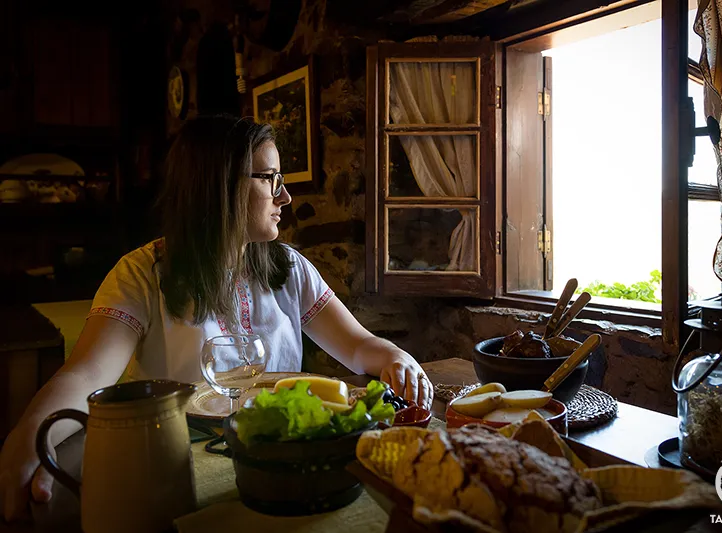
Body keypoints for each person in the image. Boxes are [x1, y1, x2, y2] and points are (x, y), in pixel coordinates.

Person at [0, 114, 433, 522]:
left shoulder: (289, 268)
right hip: (176, 467)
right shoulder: (143, 274)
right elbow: (87, 375)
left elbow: (356, 345)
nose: (285, 196)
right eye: (270, 179)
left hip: (279, 459)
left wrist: (395, 356)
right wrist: (29, 438)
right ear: (218, 186)